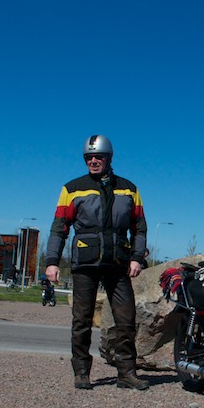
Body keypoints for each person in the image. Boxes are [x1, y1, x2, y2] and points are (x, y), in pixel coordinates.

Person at [45, 134, 150, 391]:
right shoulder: (72, 189)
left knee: (126, 319)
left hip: (118, 263)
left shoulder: (129, 189)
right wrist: (52, 261)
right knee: (81, 320)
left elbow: (139, 228)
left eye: (98, 157)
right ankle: (81, 372)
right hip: (85, 263)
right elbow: (59, 228)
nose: (93, 161)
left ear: (109, 158)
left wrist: (137, 258)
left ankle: (126, 373)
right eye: (89, 158)